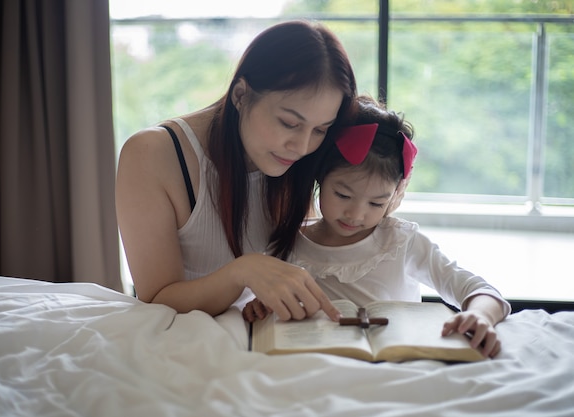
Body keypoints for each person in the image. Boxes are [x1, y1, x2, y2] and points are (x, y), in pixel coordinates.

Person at [116, 20, 384, 322]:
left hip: (264, 332)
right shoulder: (154, 154)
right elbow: (156, 299)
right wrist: (242, 272)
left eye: (321, 129)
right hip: (182, 337)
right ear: (241, 95)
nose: (301, 146)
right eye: (289, 123)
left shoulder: (303, 158)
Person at [243, 96, 511, 358]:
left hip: (400, 362)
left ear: (395, 194)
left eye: (376, 203)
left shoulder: (399, 242)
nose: (356, 214)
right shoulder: (288, 241)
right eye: (343, 195)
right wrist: (262, 306)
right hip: (321, 364)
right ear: (320, 177)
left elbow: (480, 291)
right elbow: (264, 301)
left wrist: (480, 315)